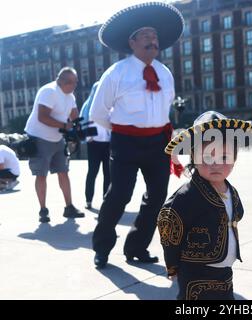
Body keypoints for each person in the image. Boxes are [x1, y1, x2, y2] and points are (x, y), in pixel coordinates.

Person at [90, 2, 185, 269]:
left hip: (158, 143)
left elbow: (166, 112)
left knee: (157, 197)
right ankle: (102, 247)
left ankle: (136, 247)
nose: (152, 40)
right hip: (126, 143)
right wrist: (123, 130)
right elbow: (98, 112)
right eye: (145, 35)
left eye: (154, 36)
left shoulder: (165, 74)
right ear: (132, 42)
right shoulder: (116, 73)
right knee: (119, 195)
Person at [158, 111, 252, 300]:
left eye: (224, 157)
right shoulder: (186, 196)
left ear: (234, 159)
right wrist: (172, 265)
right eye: (207, 158)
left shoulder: (231, 191)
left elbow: (236, 214)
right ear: (194, 158)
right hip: (195, 273)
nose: (216, 164)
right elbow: (169, 229)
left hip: (224, 272)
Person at [24, 67, 85, 223]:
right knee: (41, 174)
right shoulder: (49, 91)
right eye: (70, 82)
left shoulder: (70, 95)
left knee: (63, 171)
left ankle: (69, 207)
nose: (73, 85)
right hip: (40, 137)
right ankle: (43, 210)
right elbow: (42, 117)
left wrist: (79, 129)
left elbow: (74, 115)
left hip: (57, 138)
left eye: (75, 82)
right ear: (60, 80)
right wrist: (65, 127)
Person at [80, 82, 111, 210]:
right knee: (93, 172)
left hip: (108, 143)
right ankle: (88, 200)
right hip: (94, 143)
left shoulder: (110, 105)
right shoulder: (88, 105)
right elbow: (82, 122)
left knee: (108, 173)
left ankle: (107, 199)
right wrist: (88, 138)